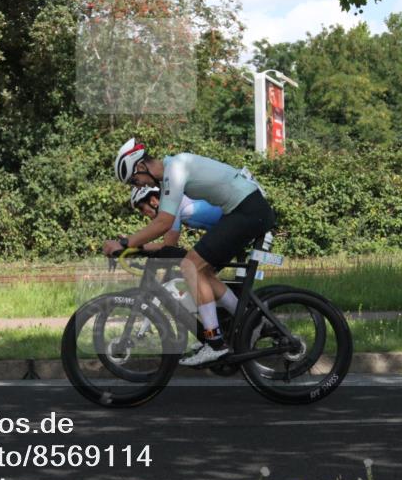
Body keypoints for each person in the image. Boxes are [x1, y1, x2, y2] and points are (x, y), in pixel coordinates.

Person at [105, 138, 275, 366]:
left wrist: (125, 244)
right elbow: (163, 227)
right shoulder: (170, 174)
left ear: (141, 167)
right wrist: (133, 245)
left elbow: (164, 223)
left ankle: (215, 343)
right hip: (243, 211)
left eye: (135, 181)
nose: (138, 186)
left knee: (190, 266)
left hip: (246, 211)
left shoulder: (175, 169)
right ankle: (249, 321)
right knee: (201, 272)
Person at [128, 185, 223, 252]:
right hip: (224, 228)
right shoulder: (173, 204)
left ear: (153, 201)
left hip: (231, 225)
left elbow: (169, 245)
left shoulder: (171, 208)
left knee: (195, 267)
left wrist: (136, 246)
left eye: (141, 208)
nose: (142, 213)